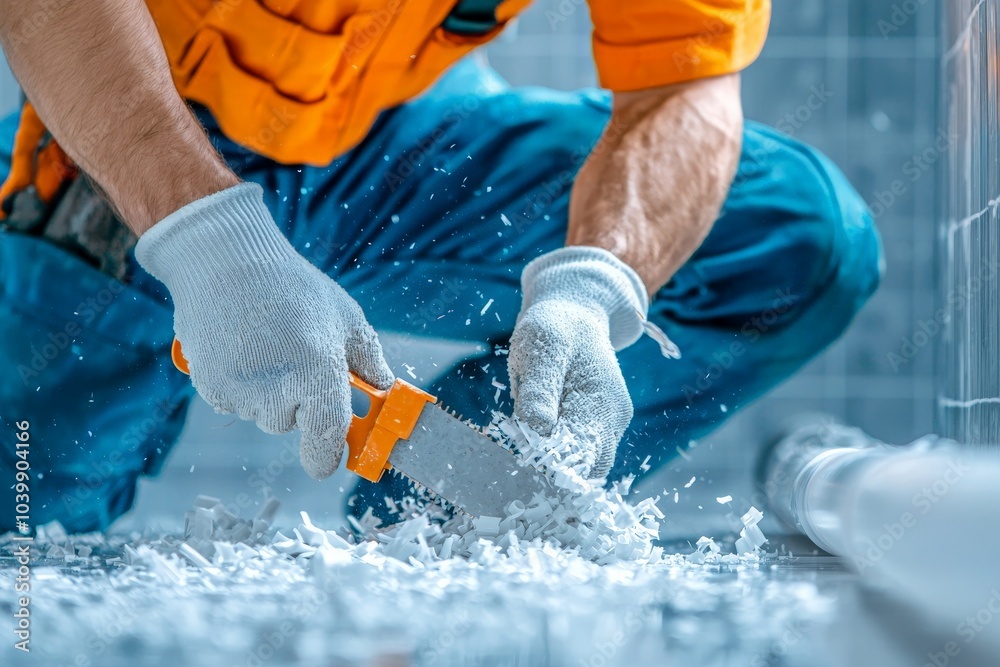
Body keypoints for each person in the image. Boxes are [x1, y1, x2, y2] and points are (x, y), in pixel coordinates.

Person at [0, 0, 882, 533]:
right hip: (138, 143)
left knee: (793, 238)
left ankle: (440, 535)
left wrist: (600, 282)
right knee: (24, 568)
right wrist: (204, 235)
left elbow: (687, 84)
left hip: (389, 134)